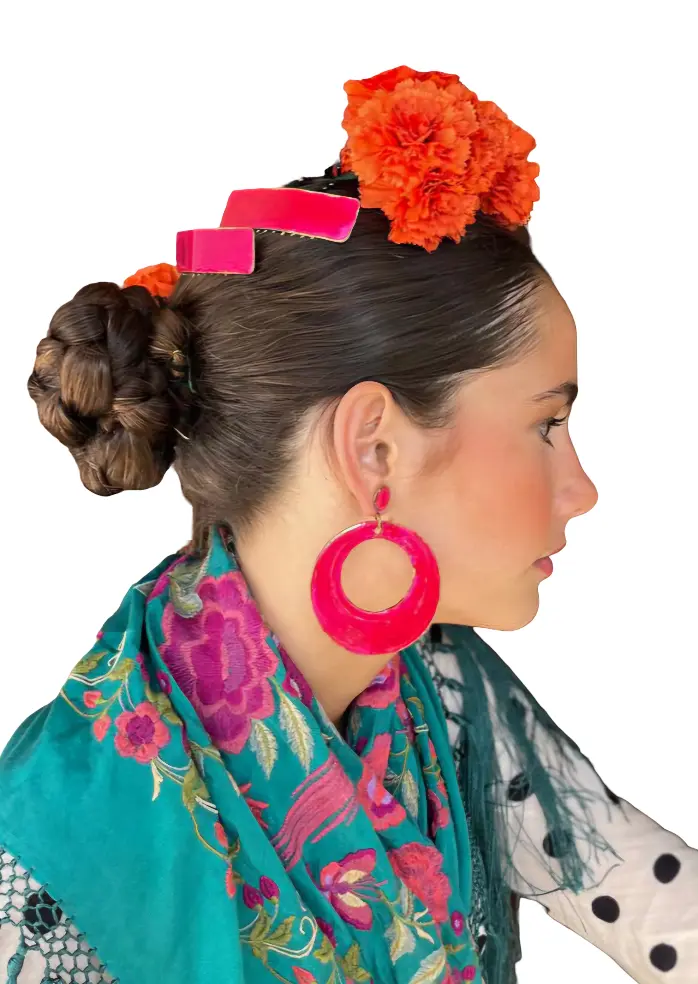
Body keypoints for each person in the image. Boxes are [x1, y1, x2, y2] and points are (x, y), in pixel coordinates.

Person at [0, 64, 694, 984]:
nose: (582, 488)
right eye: (546, 424)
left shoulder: (440, 693)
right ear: (375, 447)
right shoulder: (49, 854)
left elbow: (664, 912)